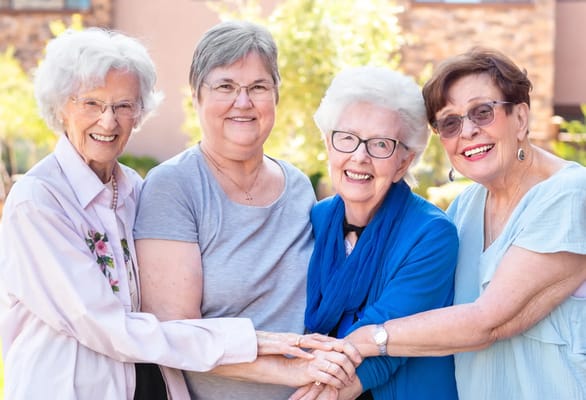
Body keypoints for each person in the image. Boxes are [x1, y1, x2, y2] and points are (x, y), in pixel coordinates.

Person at [0, 27, 341, 400]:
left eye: (123, 105)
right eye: (92, 103)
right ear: (60, 106)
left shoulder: (130, 188)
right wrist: (255, 344)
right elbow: (104, 324)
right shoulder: (38, 201)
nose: (109, 121)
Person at [133, 20, 359, 400]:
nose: (243, 102)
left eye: (258, 87)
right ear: (196, 96)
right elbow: (177, 335)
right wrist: (293, 368)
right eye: (225, 86)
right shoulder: (173, 187)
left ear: (276, 96)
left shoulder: (299, 185)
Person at [344, 48, 586, 400]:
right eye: (450, 122)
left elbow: (487, 321)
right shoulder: (464, 209)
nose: (468, 131)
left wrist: (367, 338)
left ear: (520, 118)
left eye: (482, 112)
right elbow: (428, 315)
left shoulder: (570, 195)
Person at [289, 66, 459, 400]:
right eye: (347, 138)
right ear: (328, 144)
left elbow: (387, 347)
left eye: (380, 144)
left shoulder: (432, 234)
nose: (359, 156)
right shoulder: (317, 218)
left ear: (403, 163)